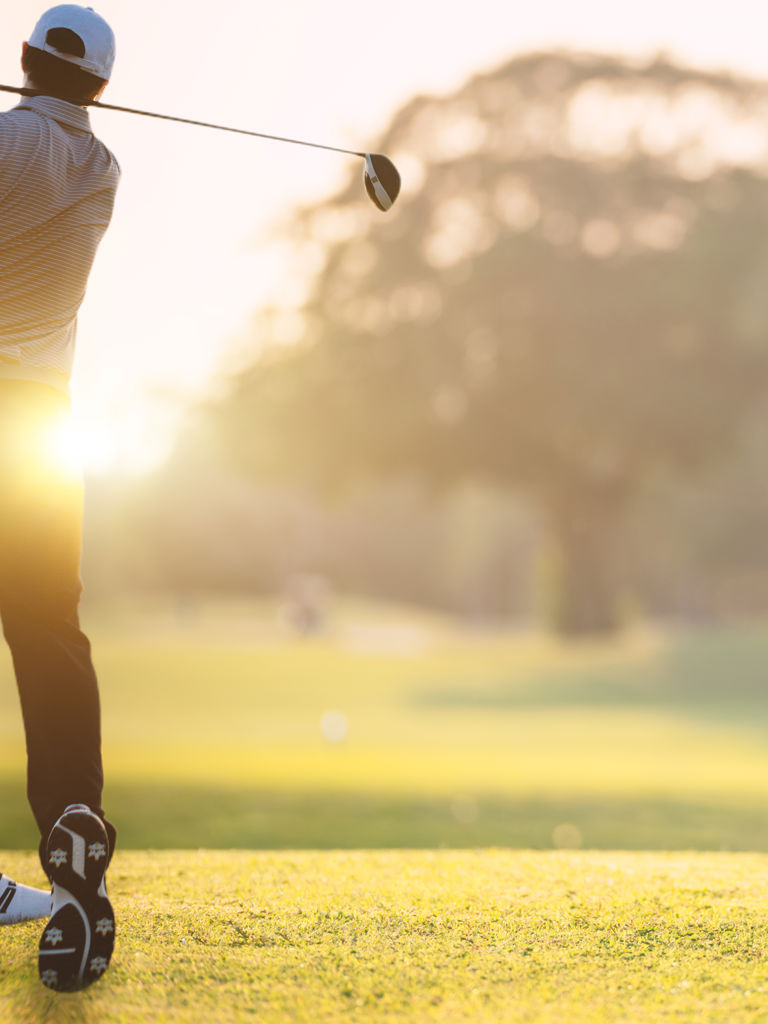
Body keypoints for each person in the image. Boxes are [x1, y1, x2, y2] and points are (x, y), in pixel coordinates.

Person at [0, 4, 119, 992]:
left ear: (25, 57)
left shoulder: (7, 139)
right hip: (45, 434)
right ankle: (72, 817)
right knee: (50, 634)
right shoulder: (104, 167)